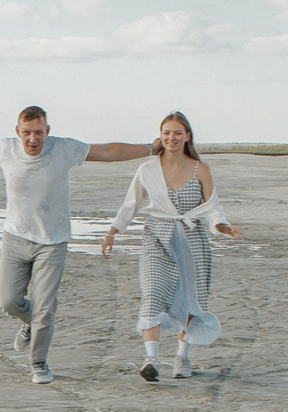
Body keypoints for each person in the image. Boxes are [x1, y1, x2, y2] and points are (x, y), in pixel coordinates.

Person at [0, 108, 156, 383]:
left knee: (45, 307)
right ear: (17, 131)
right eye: (27, 132)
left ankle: (38, 362)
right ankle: (29, 322)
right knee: (7, 301)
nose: (33, 139)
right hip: (15, 237)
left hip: (53, 242)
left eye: (38, 132)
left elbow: (107, 152)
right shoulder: (6, 149)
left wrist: (149, 147)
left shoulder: (63, 149)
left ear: (47, 131)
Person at [101, 111, 240, 380]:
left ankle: (181, 357)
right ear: (160, 136)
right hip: (156, 237)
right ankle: (151, 359)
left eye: (177, 133)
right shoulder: (147, 169)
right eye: (167, 132)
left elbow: (212, 208)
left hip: (191, 241)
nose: (171, 137)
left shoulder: (201, 170)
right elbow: (132, 204)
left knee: (190, 299)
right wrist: (112, 231)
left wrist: (221, 226)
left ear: (187, 136)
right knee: (152, 292)